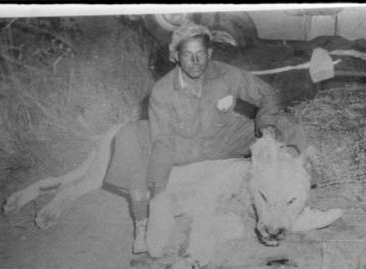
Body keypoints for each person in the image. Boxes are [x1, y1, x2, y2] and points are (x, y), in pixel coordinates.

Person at [104, 22, 307, 254]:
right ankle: (141, 222)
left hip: (223, 138)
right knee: (130, 134)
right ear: (175, 56)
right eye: (188, 55)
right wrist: (158, 196)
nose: (195, 62)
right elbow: (162, 142)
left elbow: (266, 93)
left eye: (201, 54)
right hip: (182, 147)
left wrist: (265, 124)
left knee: (286, 123)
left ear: (209, 54)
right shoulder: (162, 91)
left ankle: (296, 196)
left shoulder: (225, 74)